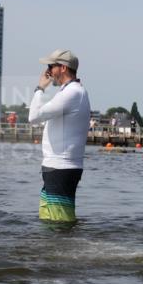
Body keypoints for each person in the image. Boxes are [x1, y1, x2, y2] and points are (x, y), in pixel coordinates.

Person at [28, 49, 91, 223]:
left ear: (63, 68)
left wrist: (40, 87)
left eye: (51, 66)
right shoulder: (69, 92)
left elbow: (33, 117)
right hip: (56, 166)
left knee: (59, 223)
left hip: (61, 167)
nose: (48, 72)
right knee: (48, 220)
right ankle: (55, 250)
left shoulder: (72, 93)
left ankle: (68, 250)